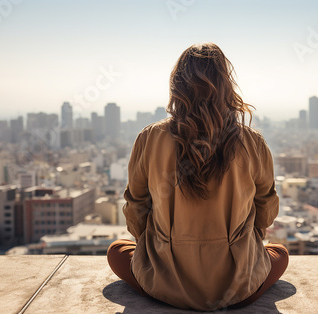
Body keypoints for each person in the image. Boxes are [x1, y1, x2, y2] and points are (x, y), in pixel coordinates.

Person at [107, 42, 288, 311]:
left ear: (178, 86)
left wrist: (158, 246)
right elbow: (266, 210)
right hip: (238, 288)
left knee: (116, 251)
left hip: (164, 285)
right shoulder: (252, 142)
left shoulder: (150, 138)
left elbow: (136, 208)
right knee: (280, 254)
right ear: (226, 85)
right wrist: (247, 243)